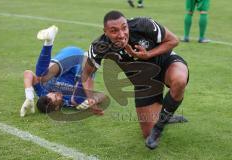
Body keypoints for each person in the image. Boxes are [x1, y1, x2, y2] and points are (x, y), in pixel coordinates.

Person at [81, 10, 189, 149]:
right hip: (144, 82)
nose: (121, 34)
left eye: (124, 28)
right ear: (105, 32)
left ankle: (160, 125)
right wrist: (90, 98)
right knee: (147, 133)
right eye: (114, 31)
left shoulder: (143, 25)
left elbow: (174, 40)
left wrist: (148, 54)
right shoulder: (100, 46)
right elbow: (87, 74)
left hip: (165, 63)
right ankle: (165, 116)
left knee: (179, 80)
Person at [20, 25, 106, 117]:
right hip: (81, 68)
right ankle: (92, 56)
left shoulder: (42, 93)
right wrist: (92, 100)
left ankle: (49, 41)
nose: (56, 93)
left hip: (68, 58)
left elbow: (28, 73)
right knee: (78, 100)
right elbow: (102, 95)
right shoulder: (69, 102)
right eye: (56, 97)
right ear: (57, 108)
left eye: (52, 93)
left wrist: (29, 95)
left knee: (41, 76)